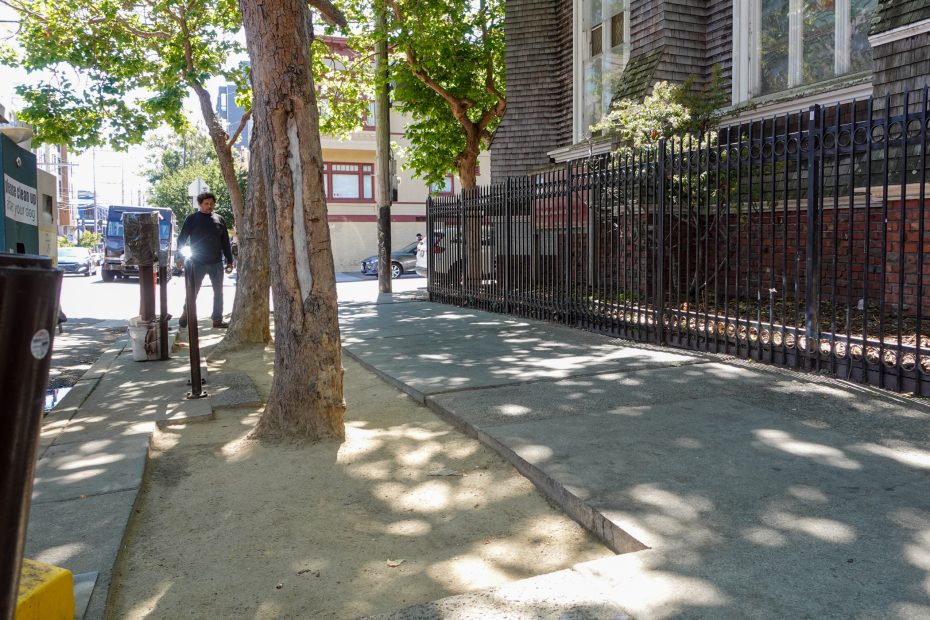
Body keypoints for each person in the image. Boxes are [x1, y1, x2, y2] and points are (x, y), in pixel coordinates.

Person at [176, 192, 234, 329]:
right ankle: (186, 313)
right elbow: (182, 239)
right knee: (193, 291)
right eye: (206, 204)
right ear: (200, 204)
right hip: (197, 262)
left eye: (212, 204)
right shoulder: (192, 219)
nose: (209, 206)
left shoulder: (219, 219)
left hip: (216, 262)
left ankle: (217, 320)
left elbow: (225, 241)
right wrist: (179, 256)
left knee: (218, 292)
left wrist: (229, 260)